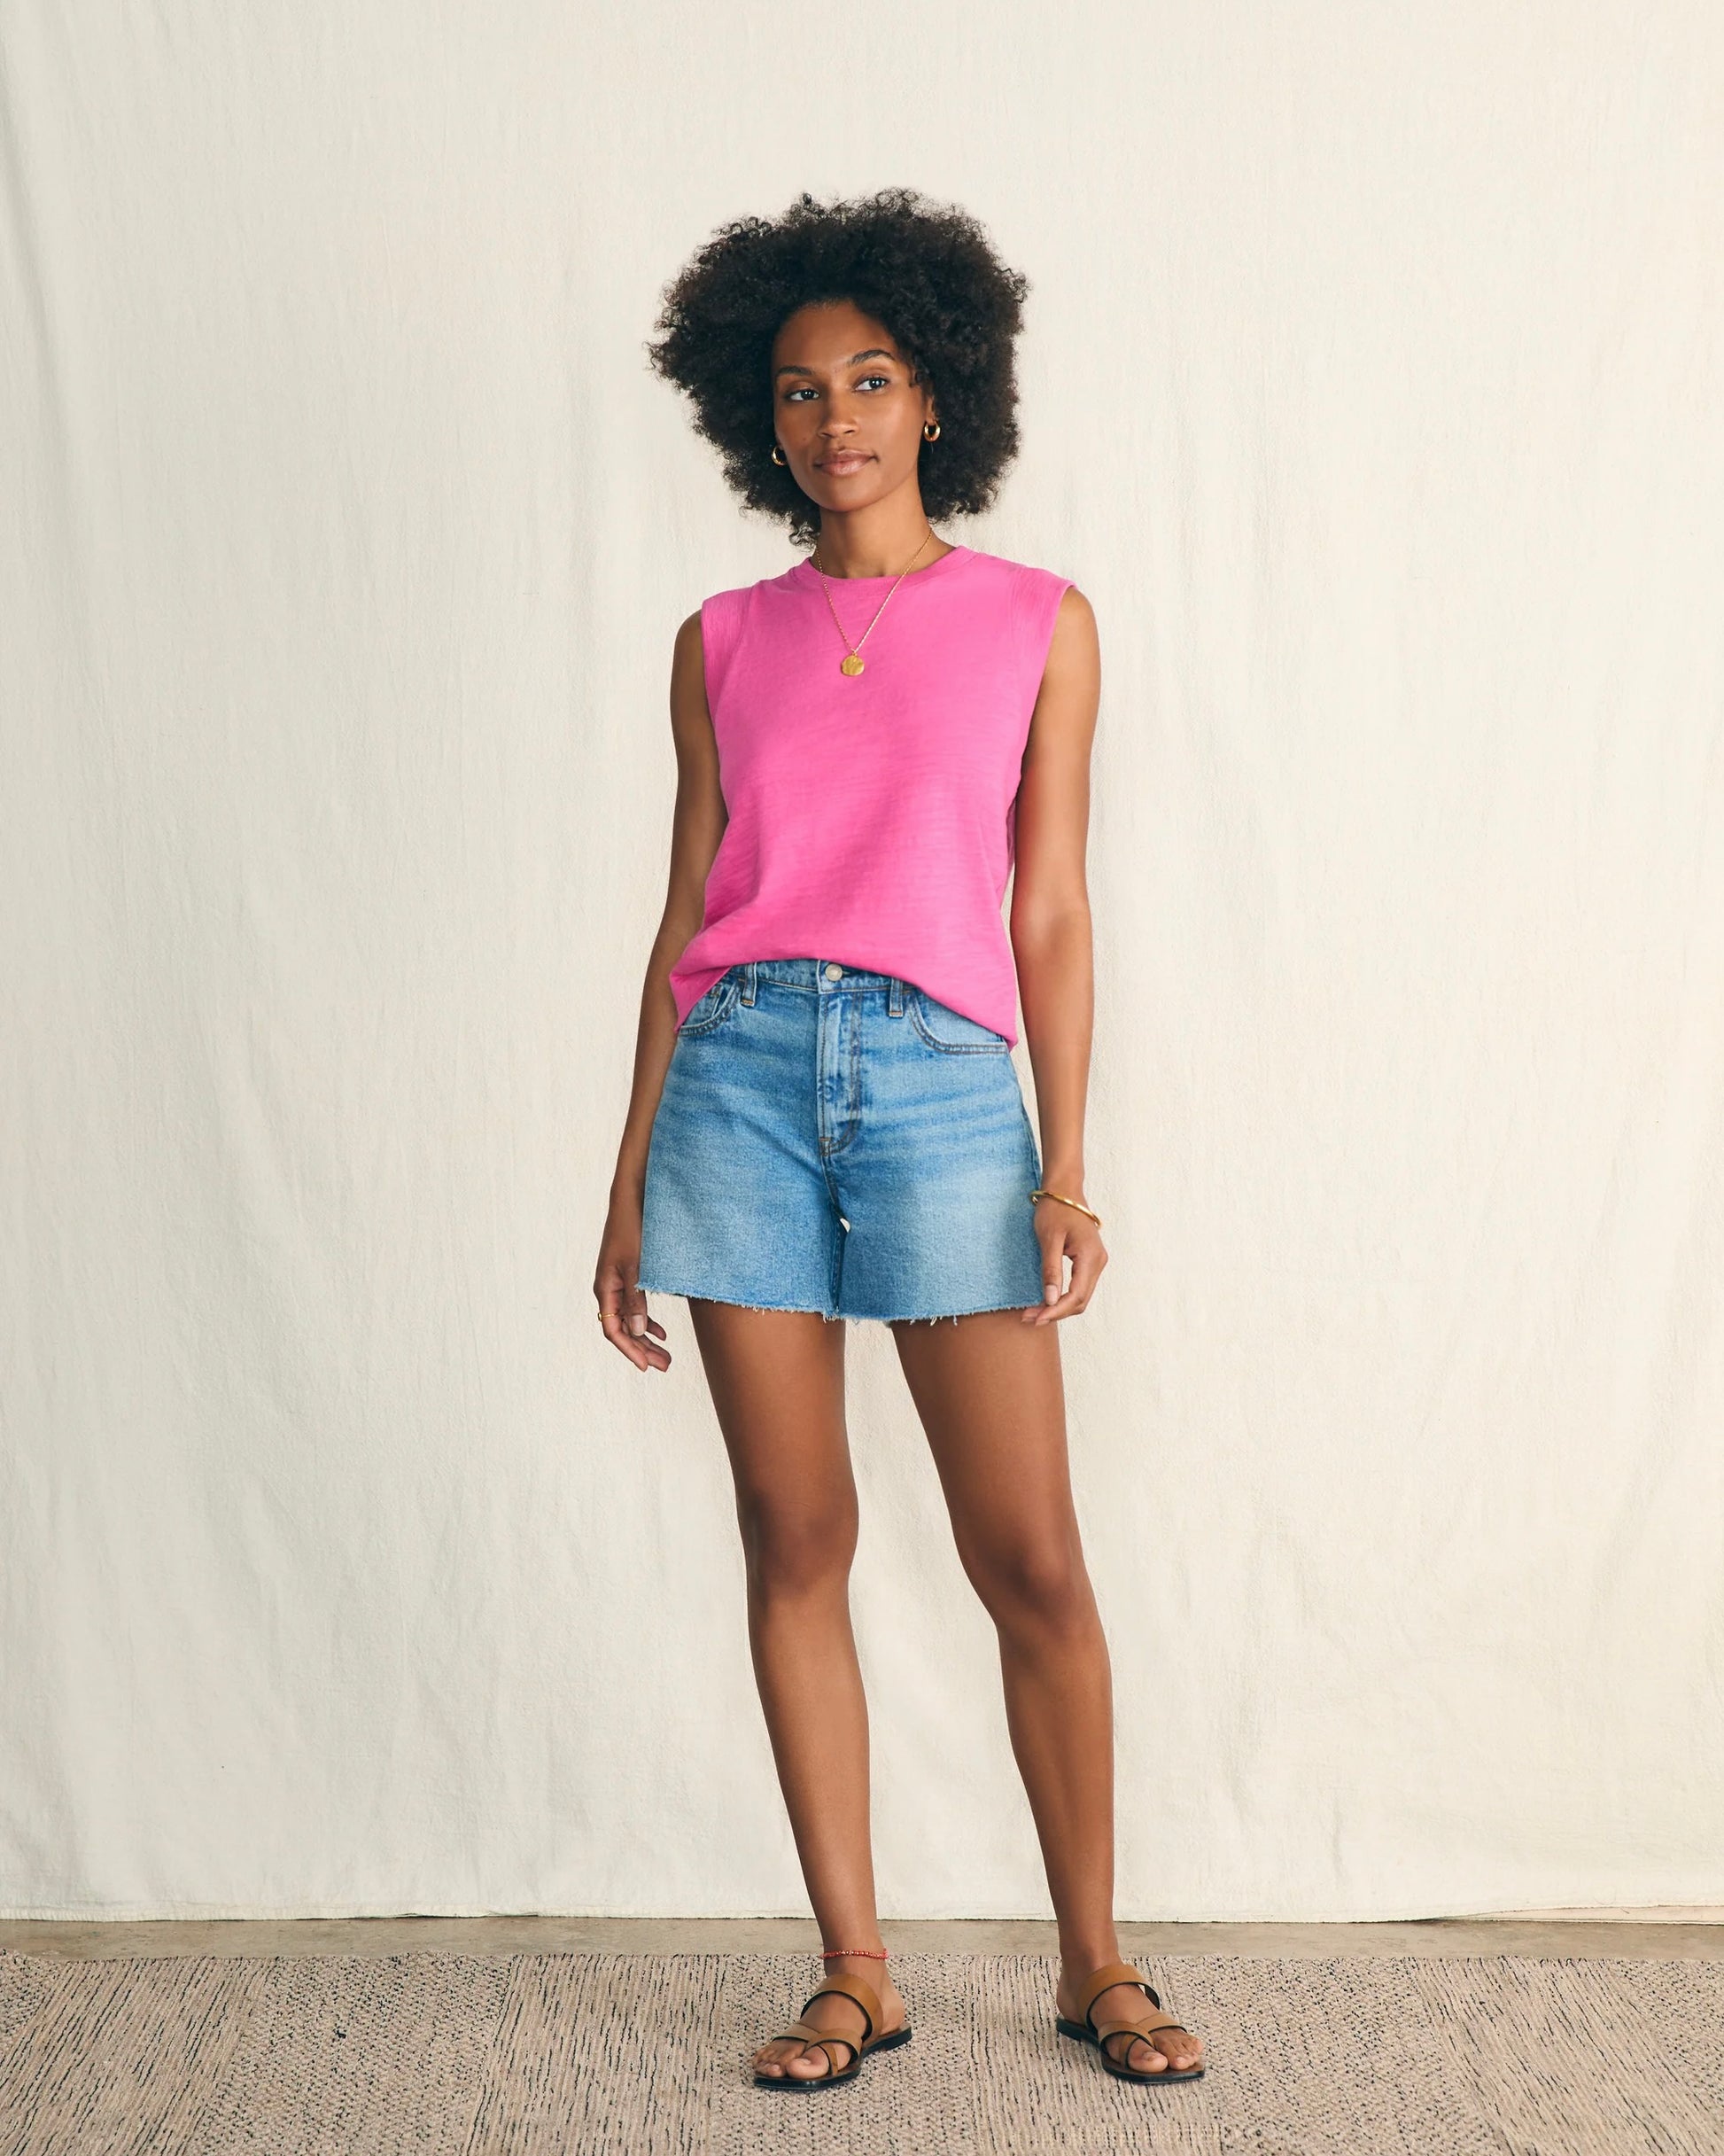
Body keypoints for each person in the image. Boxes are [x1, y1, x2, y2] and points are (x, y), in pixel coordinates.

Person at [595, 186, 1206, 2096]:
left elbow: (1048, 910)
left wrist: (1065, 1156)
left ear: (935, 394)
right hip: (744, 1089)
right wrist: (625, 1180)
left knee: (1028, 1555)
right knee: (795, 1533)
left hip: (945, 1090)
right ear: (755, 419)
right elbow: (685, 912)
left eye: (868, 377)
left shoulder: (1037, 623)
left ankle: (1095, 1956)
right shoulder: (721, 638)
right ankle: (854, 1966)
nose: (833, 415)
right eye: (796, 388)